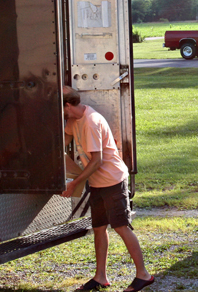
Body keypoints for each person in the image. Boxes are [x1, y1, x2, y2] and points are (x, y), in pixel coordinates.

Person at [61, 86, 154, 292]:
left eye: (60, 108)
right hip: (97, 183)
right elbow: (62, 143)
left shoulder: (91, 122)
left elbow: (96, 161)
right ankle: (100, 277)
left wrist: (75, 183)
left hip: (112, 181)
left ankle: (143, 275)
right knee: (99, 228)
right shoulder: (73, 120)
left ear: (68, 105)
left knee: (121, 226)